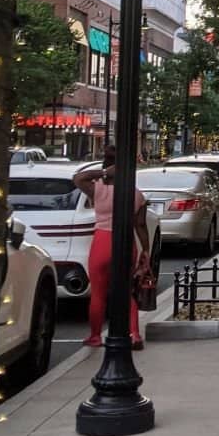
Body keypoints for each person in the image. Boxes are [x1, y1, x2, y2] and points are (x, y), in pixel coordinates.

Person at [74, 147, 151, 349]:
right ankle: (134, 333)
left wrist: (105, 172)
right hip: (126, 241)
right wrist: (146, 250)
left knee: (98, 293)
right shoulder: (136, 195)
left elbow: (79, 178)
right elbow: (141, 225)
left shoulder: (98, 189)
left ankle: (95, 335)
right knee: (126, 291)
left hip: (102, 240)